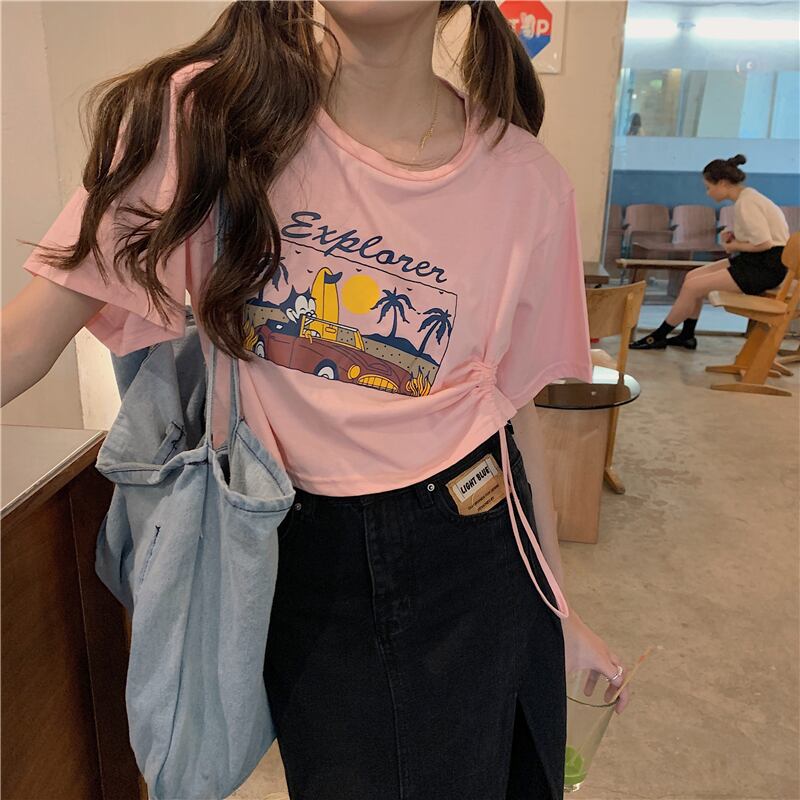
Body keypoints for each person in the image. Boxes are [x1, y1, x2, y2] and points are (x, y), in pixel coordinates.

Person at [2, 2, 631, 797]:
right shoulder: (208, 118)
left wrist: (561, 610)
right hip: (304, 549)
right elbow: (26, 337)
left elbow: (510, 409)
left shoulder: (525, 180)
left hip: (477, 544)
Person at [631, 154, 790, 350]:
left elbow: (764, 243)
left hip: (764, 268)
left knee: (693, 287)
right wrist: (735, 237)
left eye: (708, 187)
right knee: (692, 277)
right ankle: (687, 335)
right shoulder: (749, 197)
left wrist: (733, 246)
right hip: (758, 261)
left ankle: (658, 336)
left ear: (722, 183)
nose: (708, 193)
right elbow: (763, 237)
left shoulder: (747, 203)